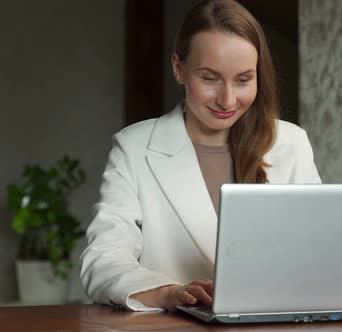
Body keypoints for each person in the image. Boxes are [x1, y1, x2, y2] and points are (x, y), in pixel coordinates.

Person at [80, 0, 321, 312]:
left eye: (244, 79)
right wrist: (167, 293)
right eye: (210, 78)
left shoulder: (291, 143)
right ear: (179, 69)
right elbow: (102, 259)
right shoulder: (134, 147)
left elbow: (317, 252)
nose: (228, 99)